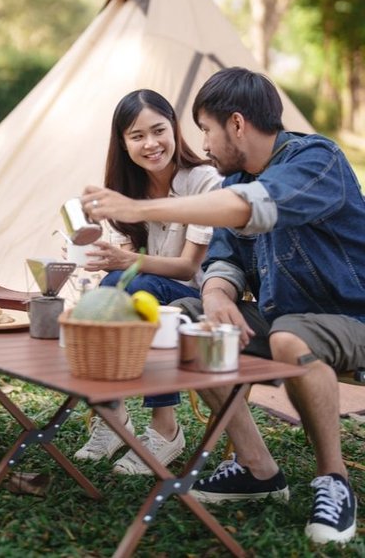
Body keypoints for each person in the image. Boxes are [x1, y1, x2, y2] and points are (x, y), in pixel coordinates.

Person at [81, 67, 365, 546]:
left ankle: (333, 481)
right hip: (279, 320)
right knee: (186, 321)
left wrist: (137, 209)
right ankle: (258, 469)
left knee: (290, 334)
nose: (204, 145)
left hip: (352, 320)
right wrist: (214, 294)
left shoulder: (316, 159)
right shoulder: (236, 176)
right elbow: (223, 259)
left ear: (236, 125)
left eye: (206, 130)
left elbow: (250, 207)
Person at [74, 89, 221, 474]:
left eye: (159, 130)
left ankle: (166, 430)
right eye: (137, 136)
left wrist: (126, 262)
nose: (151, 144)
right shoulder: (125, 189)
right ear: (122, 143)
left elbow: (189, 266)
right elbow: (126, 266)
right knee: (114, 289)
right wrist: (110, 259)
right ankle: (114, 417)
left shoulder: (204, 181)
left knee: (141, 290)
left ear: (174, 128)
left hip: (201, 296)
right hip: (151, 288)